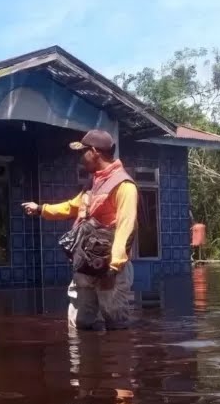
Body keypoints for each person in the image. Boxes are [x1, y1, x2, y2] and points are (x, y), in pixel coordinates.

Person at [22, 129, 139, 330]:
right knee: (80, 323)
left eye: (82, 152)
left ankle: (117, 361)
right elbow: (72, 207)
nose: (79, 158)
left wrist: (114, 266)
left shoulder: (124, 186)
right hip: (85, 265)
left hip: (109, 269)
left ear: (94, 152)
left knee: (116, 325)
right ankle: (83, 361)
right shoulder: (93, 184)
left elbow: (126, 227)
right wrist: (41, 209)